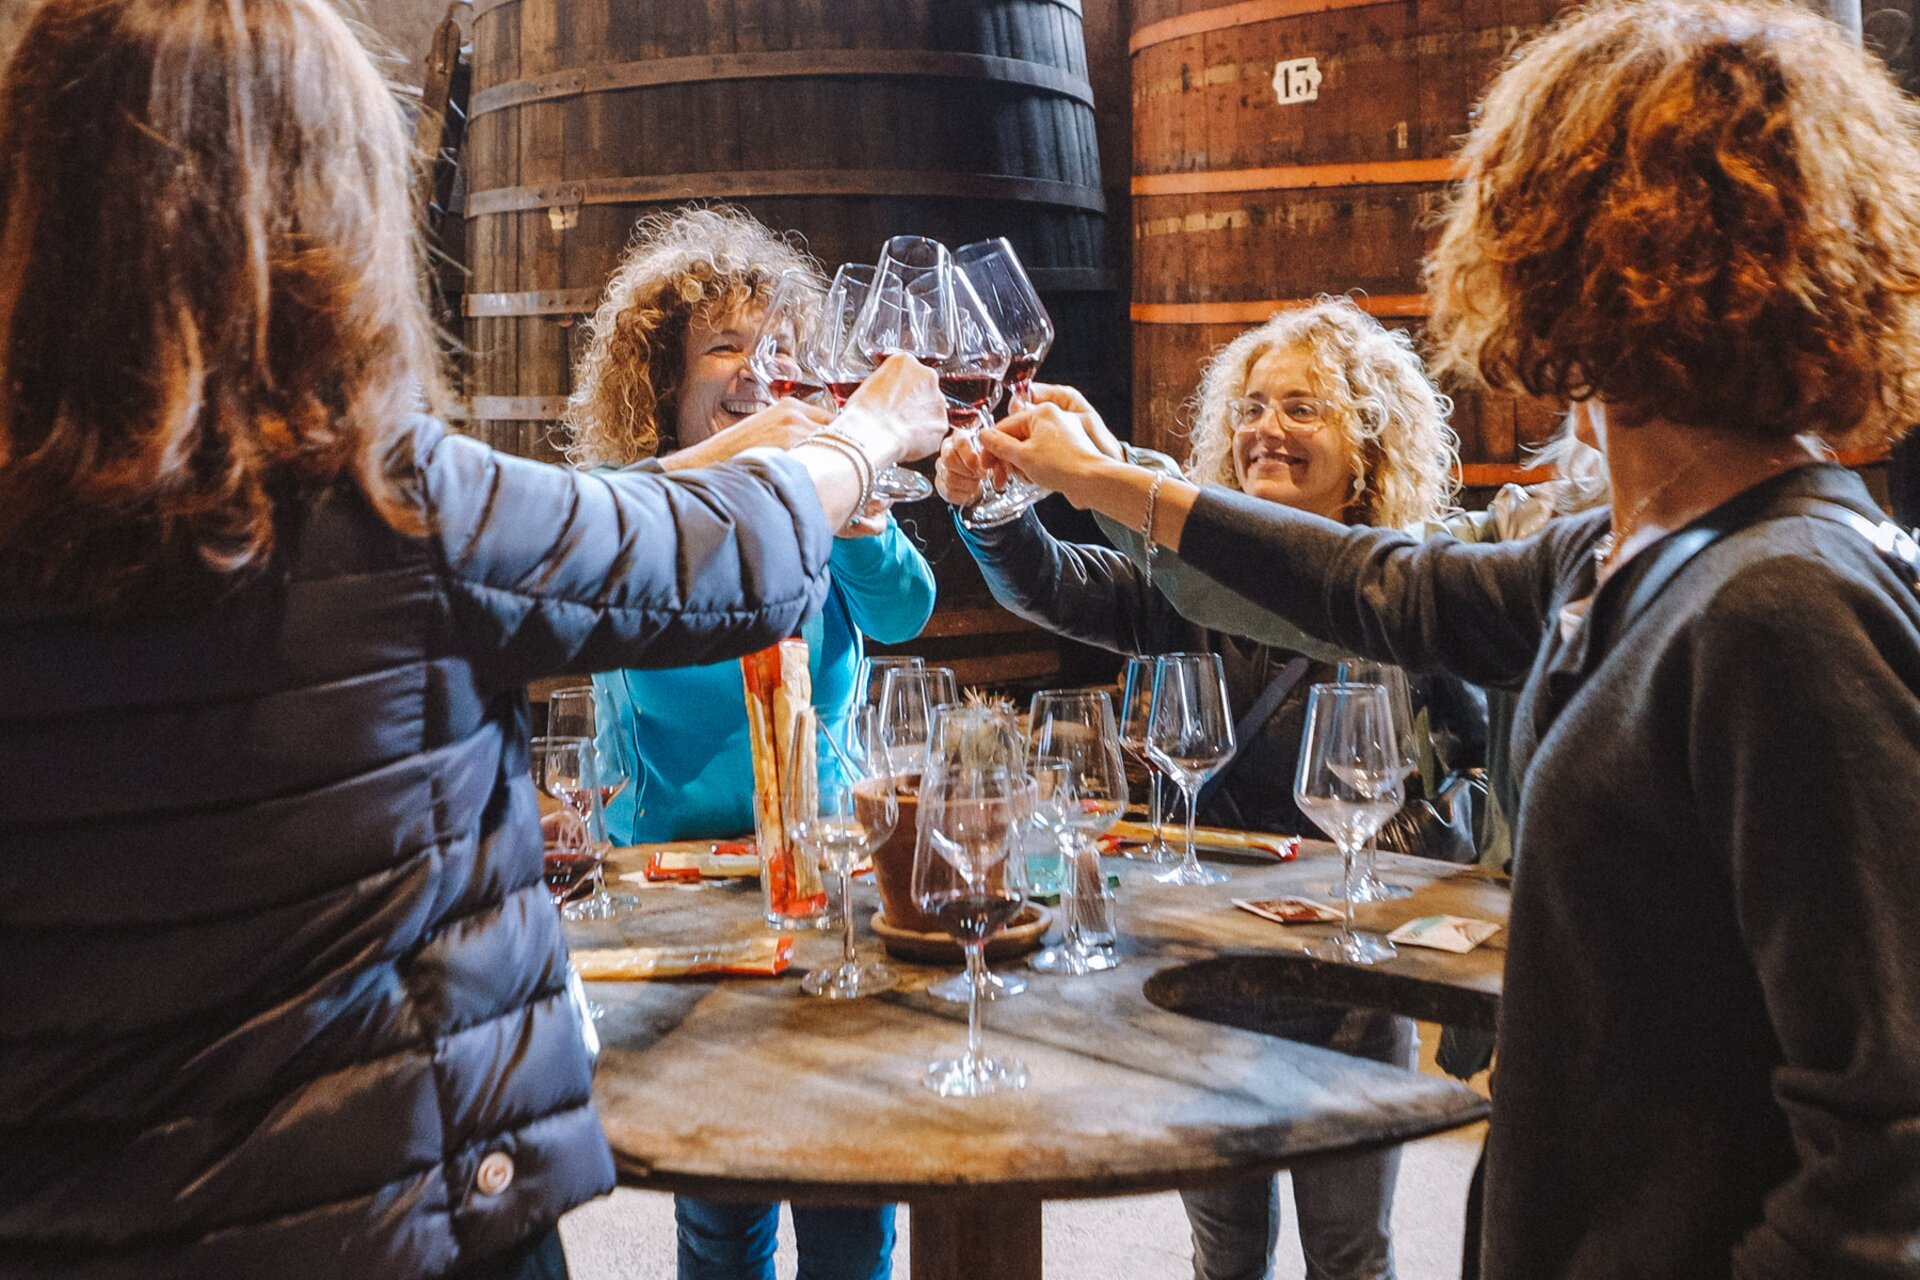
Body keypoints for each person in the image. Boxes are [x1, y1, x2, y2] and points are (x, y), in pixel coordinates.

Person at [0, 4, 946, 1278]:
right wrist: (863, 436)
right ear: (329, 214)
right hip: (392, 1218)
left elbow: (661, 512)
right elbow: (716, 554)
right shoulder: (398, 507)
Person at [978, 2, 1920, 1276]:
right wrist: (1115, 483)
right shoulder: (1631, 554)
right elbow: (1390, 586)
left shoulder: (1785, 610)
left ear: (1580, 262)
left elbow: (1887, 1172)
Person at [939, 297, 1480, 1280]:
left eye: (1303, 409)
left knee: (1351, 1250)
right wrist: (991, 505)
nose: (1265, 427)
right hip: (1209, 963)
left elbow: (1476, 772)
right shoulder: (1180, 582)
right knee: (1224, 1250)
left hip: (1349, 967)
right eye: (1253, 405)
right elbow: (1050, 583)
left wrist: (1393, 854)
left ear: (1367, 440)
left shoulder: (1410, 591)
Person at [565, 207, 936, 852]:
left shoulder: (823, 490)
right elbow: (577, 540)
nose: (759, 371)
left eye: (780, 350)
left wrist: (856, 525)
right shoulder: (624, 498)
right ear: (666, 378)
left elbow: (903, 615)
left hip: (827, 853)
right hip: (662, 867)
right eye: (726, 346)